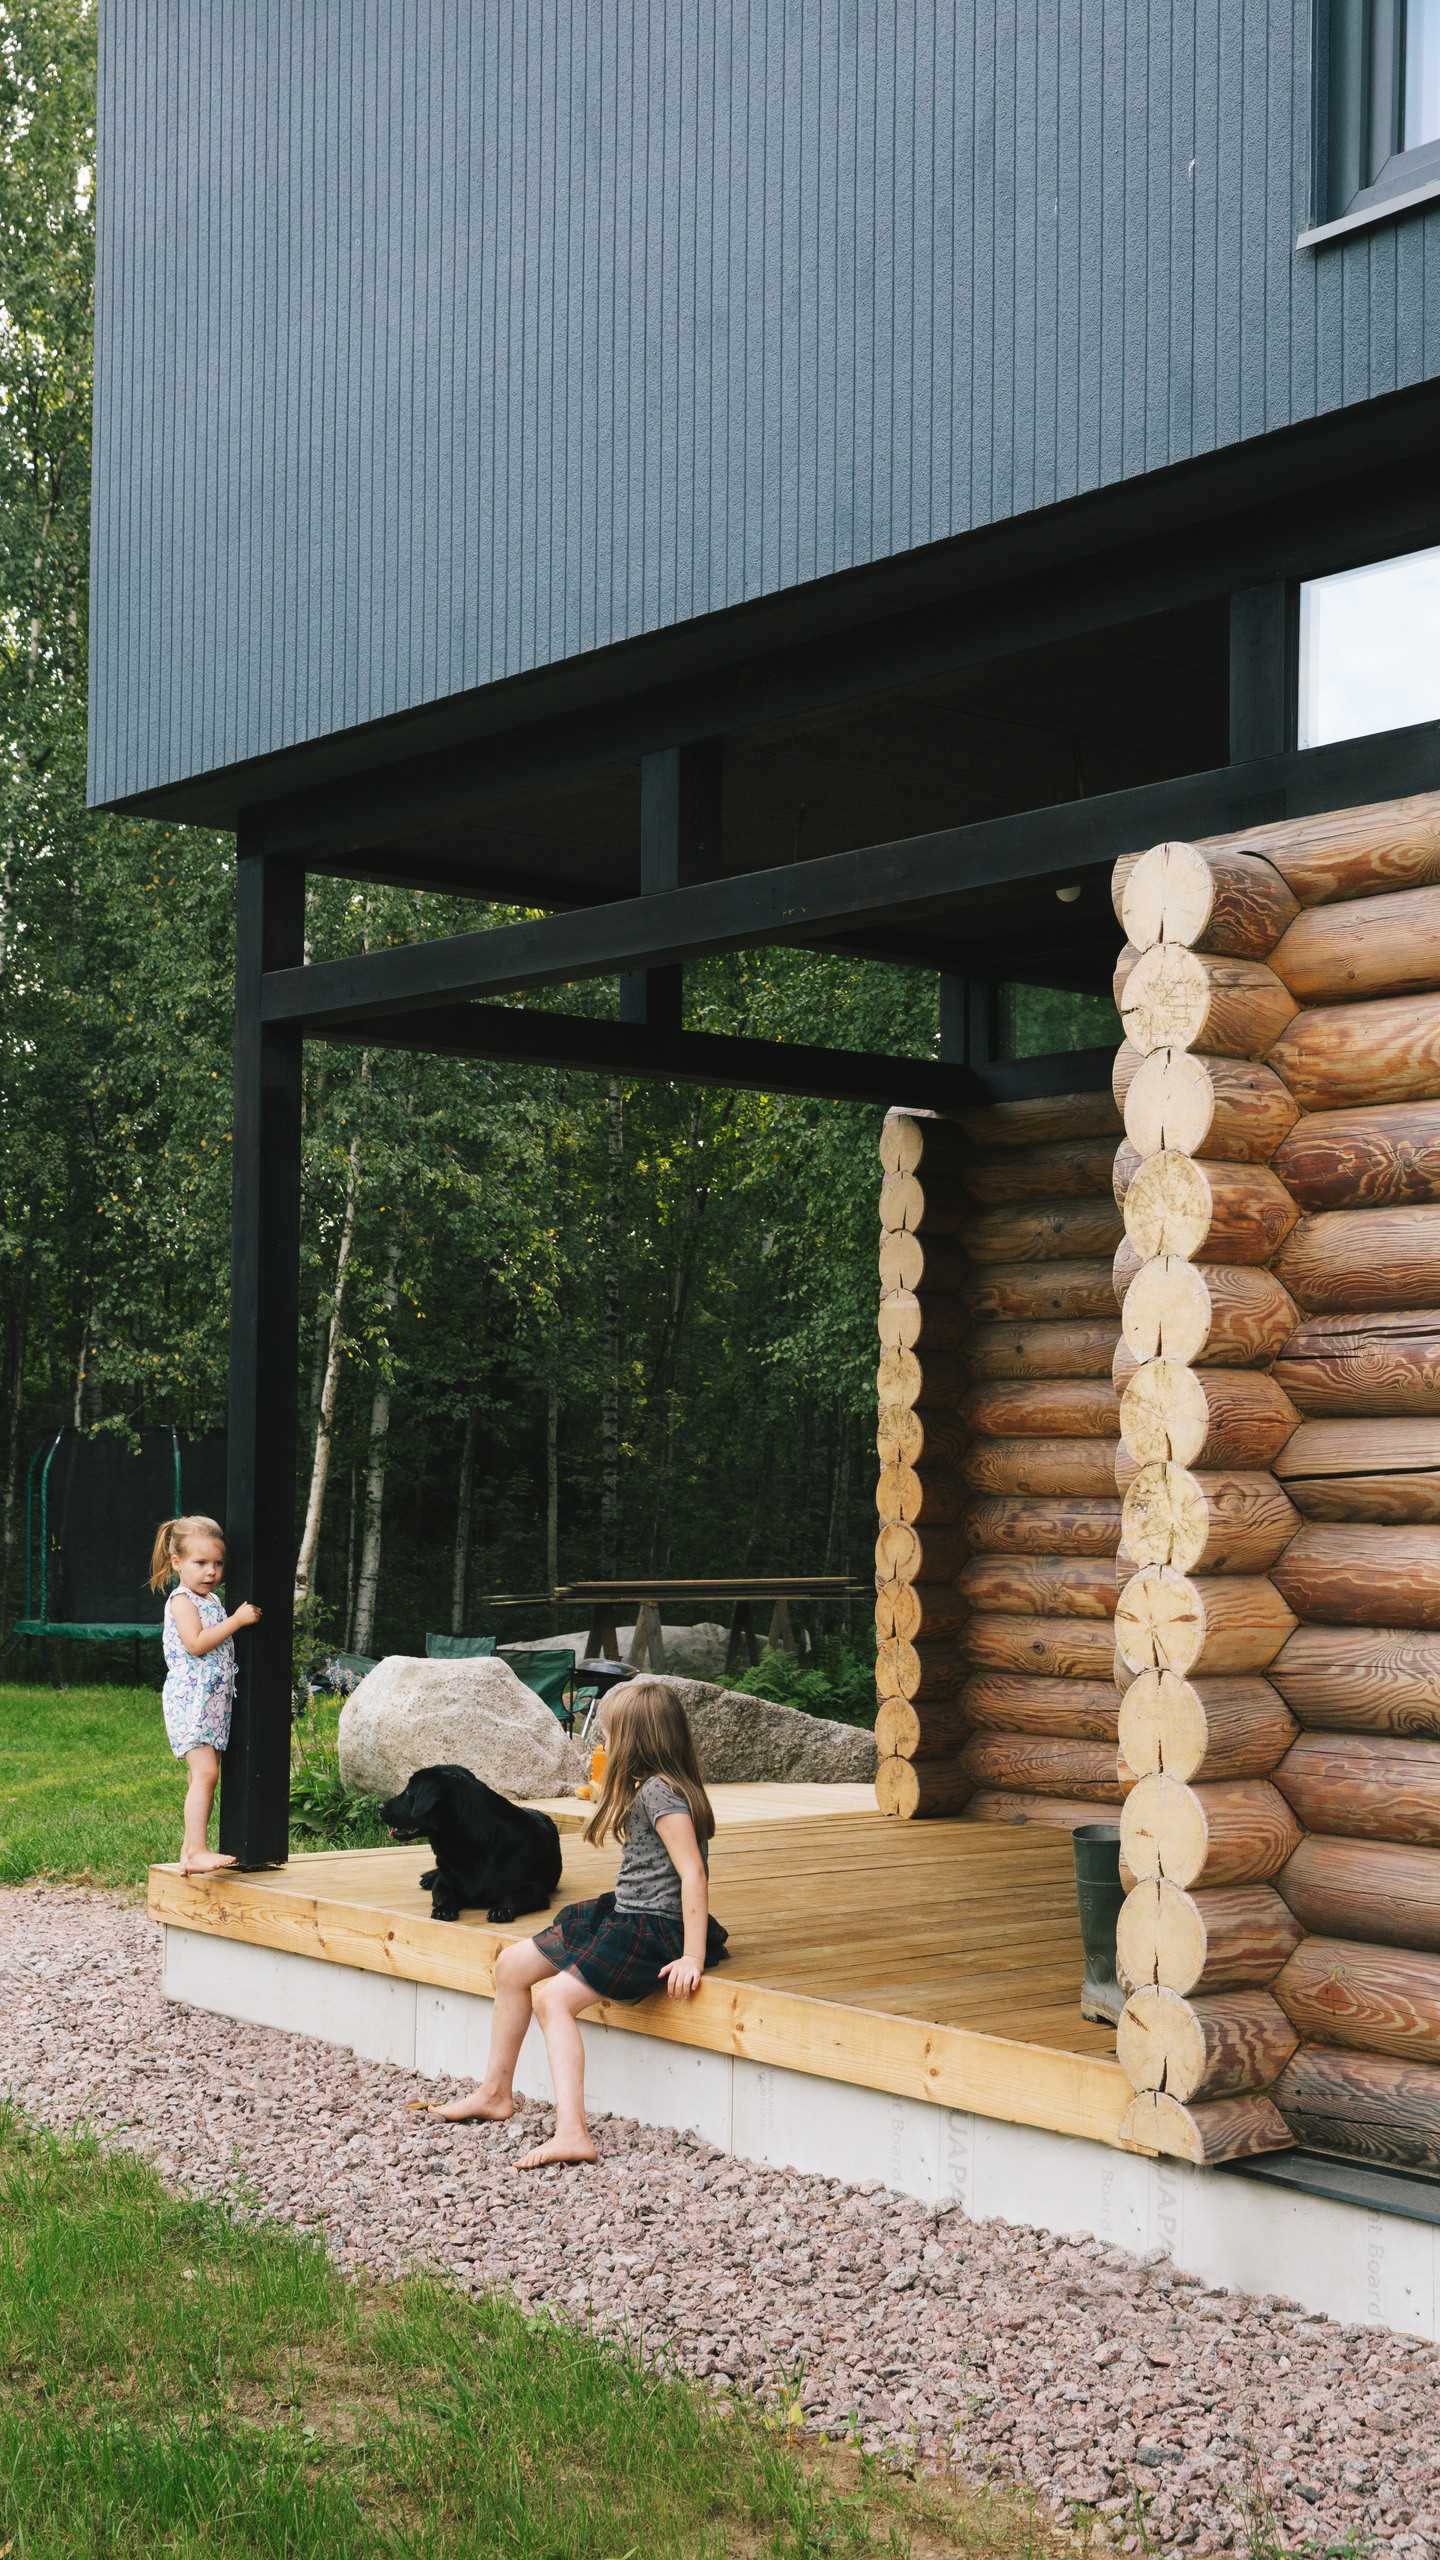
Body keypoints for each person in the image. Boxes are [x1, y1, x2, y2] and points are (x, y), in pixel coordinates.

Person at [431, 1677, 728, 2168]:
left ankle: (572, 2132)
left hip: (651, 1928)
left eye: (609, 1733)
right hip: (625, 1911)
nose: (603, 1742)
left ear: (635, 1739)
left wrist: (691, 1954)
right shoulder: (655, 1787)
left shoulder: (661, 1795)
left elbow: (693, 1874)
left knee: (553, 1999)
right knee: (511, 1967)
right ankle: (494, 2092)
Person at [148, 1515, 261, 1876]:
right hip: (191, 1702)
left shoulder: (209, 1598)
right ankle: (196, 1850)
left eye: (217, 1563)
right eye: (200, 1563)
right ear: (177, 1563)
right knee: (206, 1773)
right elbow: (196, 1644)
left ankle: (187, 1854)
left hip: (210, 1703)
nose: (211, 1571)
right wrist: (236, 1621)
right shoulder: (182, 1601)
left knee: (202, 1775)